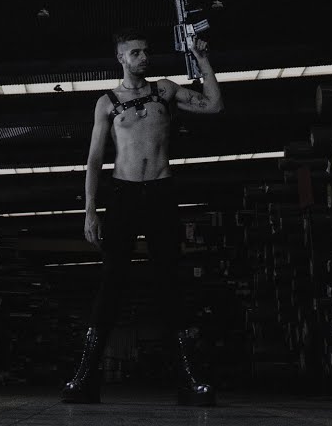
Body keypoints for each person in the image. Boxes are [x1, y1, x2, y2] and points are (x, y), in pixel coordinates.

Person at [60, 27, 225, 406]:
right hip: (123, 196)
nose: (143, 58)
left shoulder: (165, 90)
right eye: (135, 53)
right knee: (111, 283)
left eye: (146, 51)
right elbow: (94, 160)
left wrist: (202, 60)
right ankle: (85, 379)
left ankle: (189, 381)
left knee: (170, 282)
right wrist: (90, 210)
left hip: (162, 194)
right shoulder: (106, 103)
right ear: (120, 58)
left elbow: (214, 105)